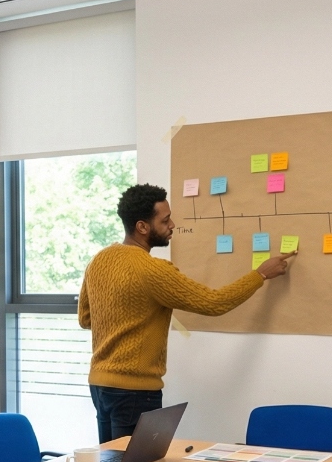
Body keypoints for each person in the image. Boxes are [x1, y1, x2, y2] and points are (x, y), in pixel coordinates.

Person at [78, 183, 294, 443]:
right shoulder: (153, 270)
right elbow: (214, 303)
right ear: (142, 227)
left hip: (100, 385)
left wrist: (126, 315)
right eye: (165, 220)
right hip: (135, 391)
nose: (172, 225)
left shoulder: (99, 261)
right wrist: (260, 274)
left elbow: (86, 319)